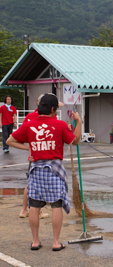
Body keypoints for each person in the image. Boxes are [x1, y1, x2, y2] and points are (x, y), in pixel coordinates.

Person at [6, 93, 81, 251]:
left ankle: (35, 241)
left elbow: (9, 140)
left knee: (34, 205)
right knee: (56, 205)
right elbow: (75, 140)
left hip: (36, 168)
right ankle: (55, 242)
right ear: (53, 109)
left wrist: (28, 147)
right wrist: (78, 121)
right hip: (54, 169)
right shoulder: (59, 124)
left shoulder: (29, 124)